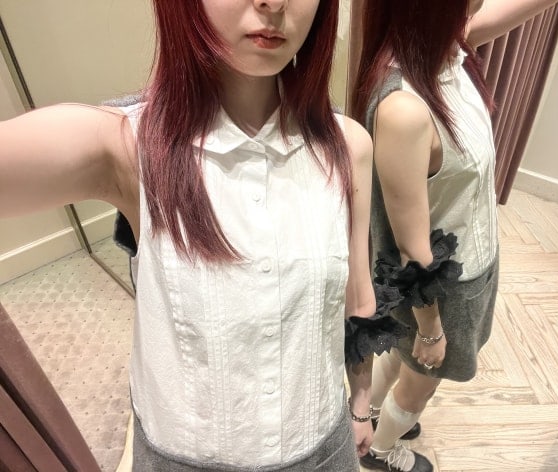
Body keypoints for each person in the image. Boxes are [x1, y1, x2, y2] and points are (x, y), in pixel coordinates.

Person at [0, 0, 382, 470]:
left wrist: (360, 407)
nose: (274, 2)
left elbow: (357, 303)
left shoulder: (348, 146)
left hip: (325, 447)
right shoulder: (125, 146)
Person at [351, 1, 558, 471]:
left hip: (469, 258)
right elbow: (412, 249)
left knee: (405, 355)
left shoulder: (446, 51)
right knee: (422, 376)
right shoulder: (405, 110)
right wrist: (431, 330)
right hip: (440, 287)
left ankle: (380, 416)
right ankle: (381, 451)